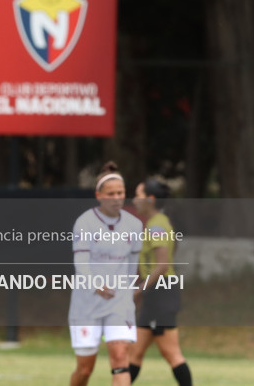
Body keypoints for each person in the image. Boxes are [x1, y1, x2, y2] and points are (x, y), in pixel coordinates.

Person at [68, 161, 142, 386]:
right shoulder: (85, 222)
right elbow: (80, 262)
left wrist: (129, 291)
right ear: (99, 195)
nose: (117, 198)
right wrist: (95, 286)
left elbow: (132, 265)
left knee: (120, 359)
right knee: (85, 369)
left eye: (120, 193)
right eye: (111, 194)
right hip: (86, 304)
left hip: (118, 303)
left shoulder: (134, 225)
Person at [129, 179, 192, 385]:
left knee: (172, 354)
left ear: (151, 199)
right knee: (135, 353)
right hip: (156, 295)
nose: (135, 199)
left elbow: (162, 265)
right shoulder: (156, 223)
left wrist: (139, 290)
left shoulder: (157, 225)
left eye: (138, 194)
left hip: (161, 295)